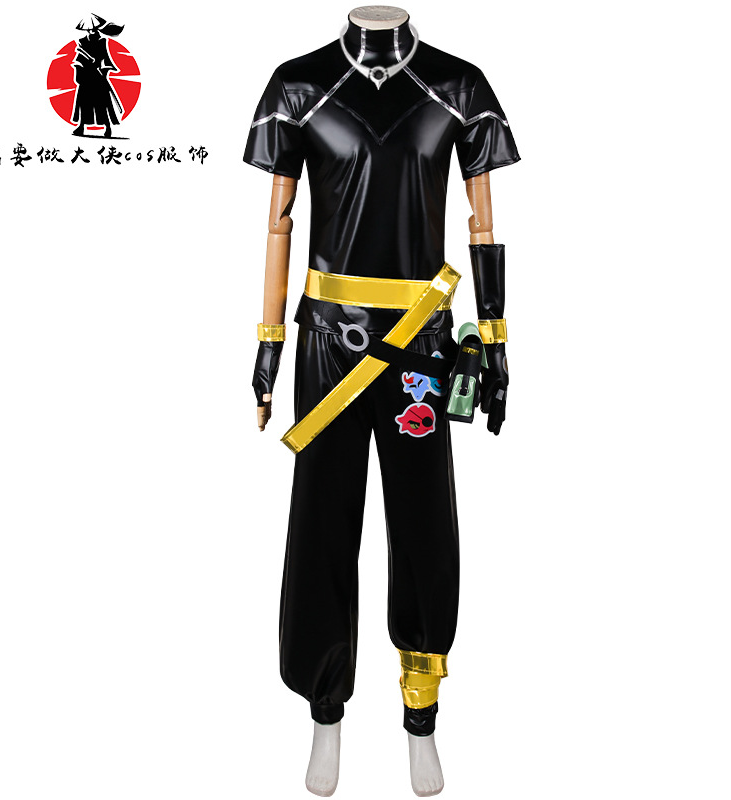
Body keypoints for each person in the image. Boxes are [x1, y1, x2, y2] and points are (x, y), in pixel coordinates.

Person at [243, 7, 519, 795]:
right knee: (322, 522)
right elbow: (277, 226)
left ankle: (421, 714)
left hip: (421, 347)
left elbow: (483, 225)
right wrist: (269, 342)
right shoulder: (297, 86)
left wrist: (495, 339)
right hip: (328, 343)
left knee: (424, 522)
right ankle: (324, 711)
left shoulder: (458, 87)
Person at [70, 14, 125, 137]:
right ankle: (81, 126)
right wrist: (79, 71)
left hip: (98, 76)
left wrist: (104, 69)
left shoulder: (102, 41)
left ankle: (107, 127)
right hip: (86, 77)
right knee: (84, 103)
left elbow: (105, 58)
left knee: (102, 103)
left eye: (94, 28)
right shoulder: (82, 42)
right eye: (89, 29)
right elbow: (78, 59)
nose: (92, 30)